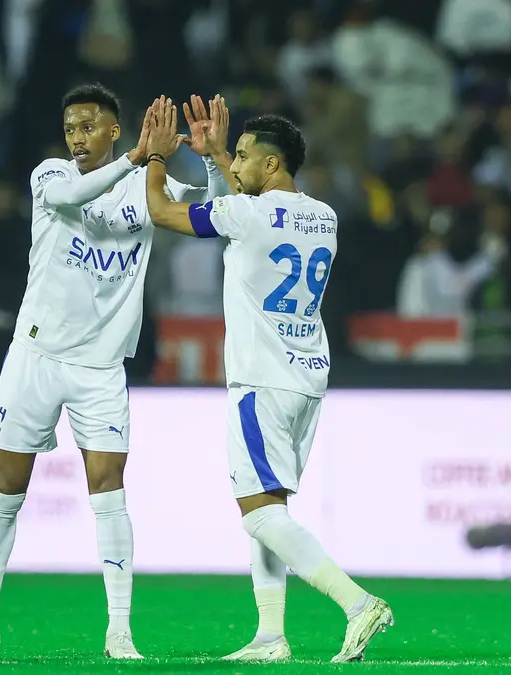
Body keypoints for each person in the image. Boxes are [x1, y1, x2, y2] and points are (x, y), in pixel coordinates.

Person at [0, 85, 232, 659]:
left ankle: (119, 630)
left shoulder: (147, 185)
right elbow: (78, 194)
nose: (76, 137)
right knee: (5, 491)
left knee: (109, 493)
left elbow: (215, 216)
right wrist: (139, 158)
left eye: (88, 126)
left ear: (114, 129)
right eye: (71, 127)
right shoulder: (50, 175)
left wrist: (208, 159)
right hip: (36, 355)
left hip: (100, 365)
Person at [140, 97, 393, 663]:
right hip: (307, 377)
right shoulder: (324, 216)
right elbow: (248, 202)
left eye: (246, 156)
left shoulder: (246, 214)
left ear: (272, 166)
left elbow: (161, 211)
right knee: (271, 510)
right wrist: (217, 159)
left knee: (257, 512)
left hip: (261, 378)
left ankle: (357, 604)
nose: (238, 162)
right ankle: (270, 636)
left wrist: (158, 157)